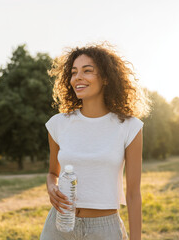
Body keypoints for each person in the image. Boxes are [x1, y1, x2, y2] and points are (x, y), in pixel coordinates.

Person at [40, 42, 150, 240]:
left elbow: (133, 194)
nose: (78, 77)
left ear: (106, 78)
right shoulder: (58, 124)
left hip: (104, 229)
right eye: (73, 72)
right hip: (59, 225)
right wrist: (51, 188)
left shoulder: (129, 127)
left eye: (87, 70)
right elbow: (52, 173)